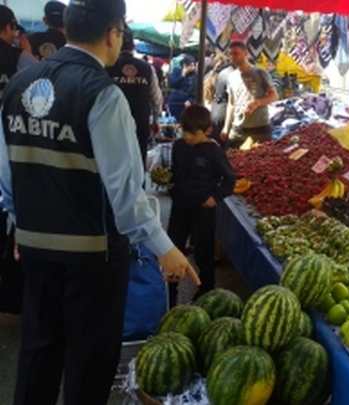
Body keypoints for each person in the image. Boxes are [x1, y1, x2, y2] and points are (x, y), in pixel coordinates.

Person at [0, 0, 200, 403]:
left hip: (37, 249)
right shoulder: (102, 95)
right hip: (94, 257)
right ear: (113, 33)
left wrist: (20, 223)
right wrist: (164, 248)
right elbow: (126, 194)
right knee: (89, 361)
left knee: (39, 352)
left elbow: (7, 177)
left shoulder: (18, 87)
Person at [168, 105, 235, 307]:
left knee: (203, 252)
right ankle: (169, 291)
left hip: (203, 211)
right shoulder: (178, 146)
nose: (187, 137)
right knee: (173, 248)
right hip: (180, 207)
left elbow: (229, 180)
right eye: (184, 132)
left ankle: (206, 291)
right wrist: (169, 182)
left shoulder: (214, 151)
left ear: (206, 131)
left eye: (192, 134)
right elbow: (175, 172)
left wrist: (215, 197)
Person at [107, 27, 163, 166]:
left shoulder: (107, 67)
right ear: (133, 46)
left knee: (115, 164)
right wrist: (156, 120)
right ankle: (138, 187)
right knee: (138, 161)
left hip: (113, 122)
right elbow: (156, 98)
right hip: (140, 122)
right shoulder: (146, 67)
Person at [222, 41, 278, 148]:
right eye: (231, 54)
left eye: (236, 53)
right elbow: (231, 104)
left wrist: (257, 103)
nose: (232, 57)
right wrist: (226, 127)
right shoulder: (231, 76)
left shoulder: (260, 73)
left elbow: (274, 96)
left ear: (245, 53)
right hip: (238, 128)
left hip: (260, 127)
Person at [0, 6, 37, 101]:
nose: (15, 35)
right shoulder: (19, 55)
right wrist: (27, 53)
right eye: (15, 29)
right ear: (8, 27)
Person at [167, 54, 198, 120]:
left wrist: (190, 100)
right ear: (185, 65)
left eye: (194, 65)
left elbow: (196, 90)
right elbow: (172, 84)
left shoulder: (195, 76)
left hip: (187, 104)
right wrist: (182, 75)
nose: (193, 68)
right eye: (191, 65)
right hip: (174, 103)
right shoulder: (176, 71)